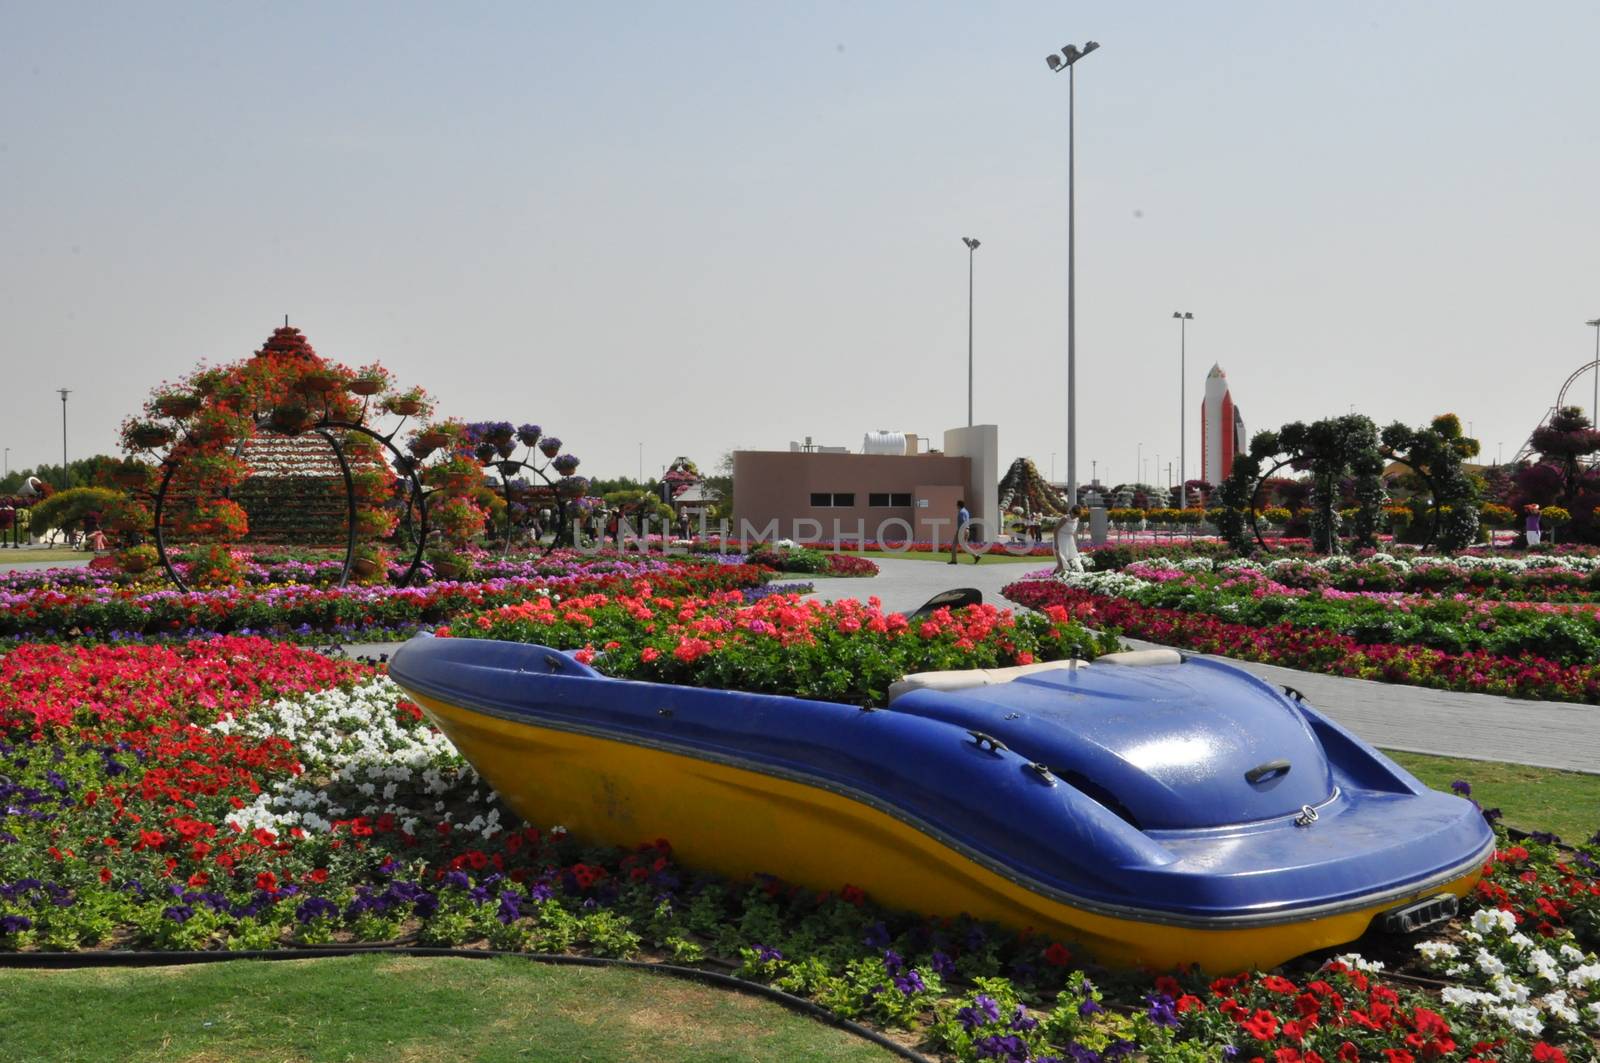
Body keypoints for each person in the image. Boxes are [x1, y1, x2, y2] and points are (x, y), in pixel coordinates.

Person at [948, 499, 977, 564]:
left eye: (957, 505)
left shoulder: (961, 512)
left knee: (954, 545)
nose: (956, 506)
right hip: (967, 529)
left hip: (962, 530)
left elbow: (963, 522)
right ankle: (976, 556)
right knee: (965, 546)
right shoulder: (966, 511)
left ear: (958, 505)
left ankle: (954, 560)